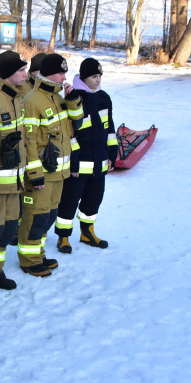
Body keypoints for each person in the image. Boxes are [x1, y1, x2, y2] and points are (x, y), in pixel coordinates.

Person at [18, 53, 83, 276]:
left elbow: (77, 119)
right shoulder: (33, 100)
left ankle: (39, 252)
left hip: (59, 173)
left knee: (49, 216)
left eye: (65, 71)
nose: (64, 76)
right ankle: (29, 259)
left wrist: (72, 98)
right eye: (60, 72)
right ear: (48, 73)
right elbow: (30, 141)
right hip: (42, 175)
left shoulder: (57, 96)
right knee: (36, 216)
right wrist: (34, 173)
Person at [56, 57, 118, 252]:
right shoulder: (74, 98)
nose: (98, 80)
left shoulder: (104, 98)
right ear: (84, 77)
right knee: (69, 201)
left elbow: (109, 129)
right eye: (94, 76)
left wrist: (112, 154)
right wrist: (74, 162)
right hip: (80, 165)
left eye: (100, 75)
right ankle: (63, 237)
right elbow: (70, 134)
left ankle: (87, 232)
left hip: (99, 162)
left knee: (94, 198)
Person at [0, 49, 30, 292]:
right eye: (21, 70)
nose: (25, 74)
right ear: (8, 73)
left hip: (17, 178)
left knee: (10, 227)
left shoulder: (19, 97)